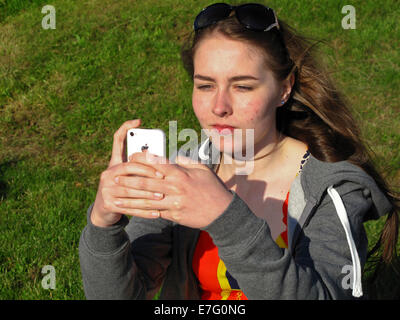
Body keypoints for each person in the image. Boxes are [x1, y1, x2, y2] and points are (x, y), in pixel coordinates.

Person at [79, 2, 399, 299]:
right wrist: (103, 222)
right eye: (205, 85)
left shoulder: (332, 188)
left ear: (284, 89)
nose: (219, 107)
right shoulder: (185, 170)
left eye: (242, 86)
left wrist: (225, 217)